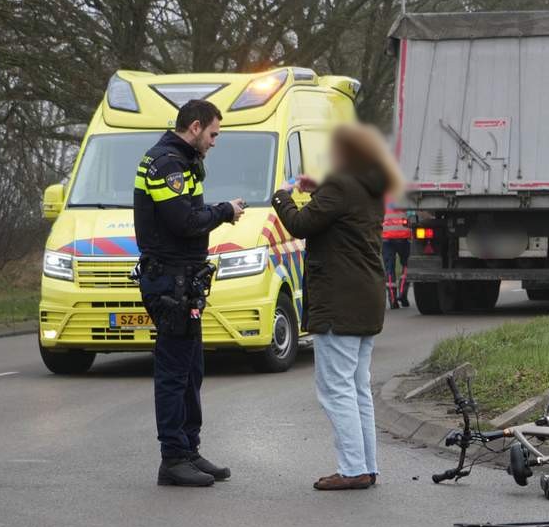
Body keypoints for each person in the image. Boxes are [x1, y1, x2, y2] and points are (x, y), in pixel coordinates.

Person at [270, 124, 402, 491]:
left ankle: (352, 469)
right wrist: (320, 189)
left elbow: (299, 224)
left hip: (340, 301)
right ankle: (365, 465)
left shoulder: (340, 186)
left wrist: (282, 196)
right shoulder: (369, 186)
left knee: (335, 389)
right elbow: (335, 210)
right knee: (357, 388)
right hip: (365, 298)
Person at [133, 99, 246, 487]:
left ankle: (189, 449)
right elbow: (183, 222)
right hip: (170, 281)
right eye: (213, 133)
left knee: (191, 368)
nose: (215, 141)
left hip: (184, 280)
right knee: (173, 371)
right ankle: (173, 458)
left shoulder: (184, 160)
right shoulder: (167, 164)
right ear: (195, 127)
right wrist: (224, 211)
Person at [382, 197, 412, 308]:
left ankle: (393, 300)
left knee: (389, 268)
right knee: (406, 265)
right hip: (403, 237)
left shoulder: (383, 198)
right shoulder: (404, 196)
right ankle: (403, 294)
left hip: (386, 237)